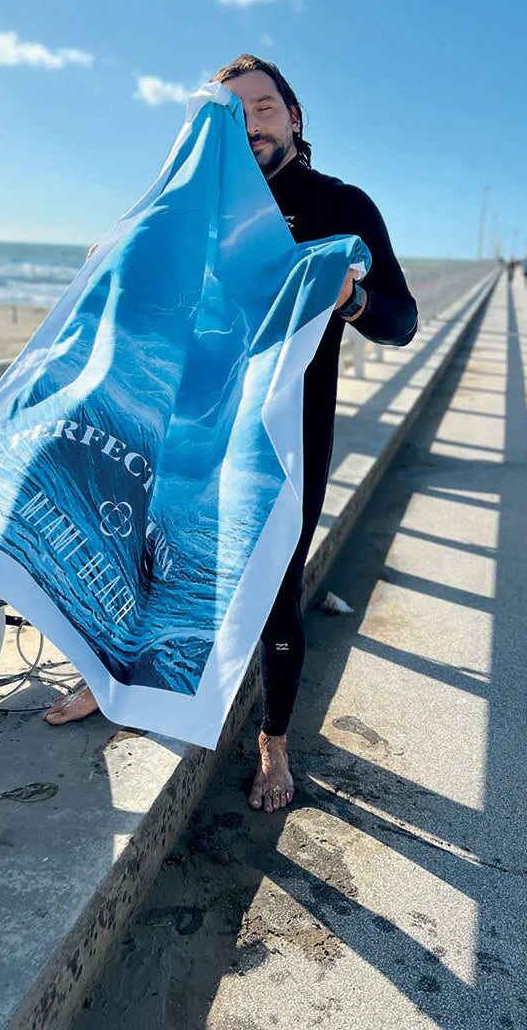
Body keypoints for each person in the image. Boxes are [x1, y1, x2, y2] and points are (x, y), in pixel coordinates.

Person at [45, 55, 417, 814]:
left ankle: (273, 741)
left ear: (294, 119)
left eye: (264, 108)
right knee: (139, 557)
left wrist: (347, 293)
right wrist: (107, 264)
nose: (250, 125)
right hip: (178, 429)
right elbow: (136, 295)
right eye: (233, 111)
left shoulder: (338, 204)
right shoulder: (192, 208)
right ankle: (105, 680)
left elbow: (400, 322)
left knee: (274, 587)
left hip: (281, 436)